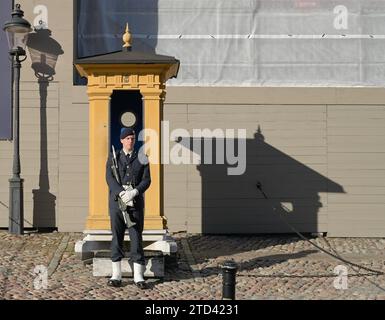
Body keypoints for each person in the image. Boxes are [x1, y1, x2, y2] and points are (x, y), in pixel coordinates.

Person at [105, 127, 151, 289]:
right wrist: (121, 192)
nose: (130, 141)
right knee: (117, 237)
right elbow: (109, 178)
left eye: (132, 138)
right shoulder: (114, 157)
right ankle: (116, 274)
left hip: (135, 203)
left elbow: (147, 180)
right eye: (127, 138)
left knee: (136, 237)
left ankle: (138, 275)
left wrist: (135, 192)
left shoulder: (142, 157)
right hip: (117, 203)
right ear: (121, 140)